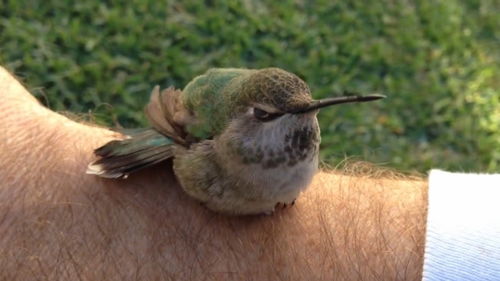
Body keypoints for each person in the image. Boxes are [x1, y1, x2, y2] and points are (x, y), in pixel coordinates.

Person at [0, 66, 438, 280]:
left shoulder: (301, 126)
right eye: (268, 115)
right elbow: (186, 129)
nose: (308, 117)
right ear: (246, 115)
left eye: (308, 107)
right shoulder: (219, 137)